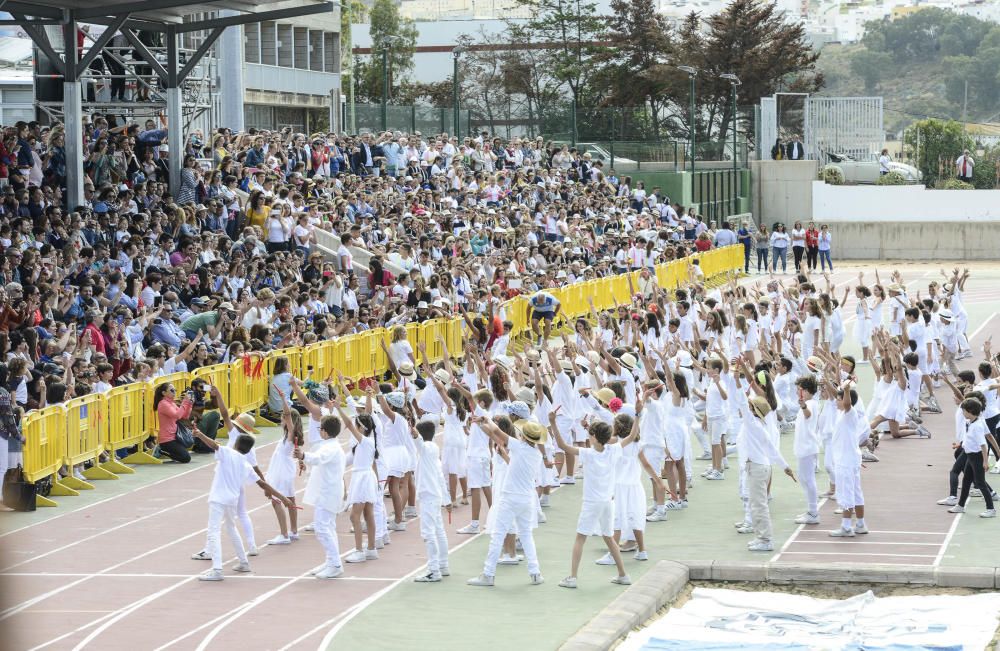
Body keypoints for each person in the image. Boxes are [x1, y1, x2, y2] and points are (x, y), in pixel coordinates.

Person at [192, 426, 291, 582]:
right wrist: (283, 498)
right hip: (232, 500)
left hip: (218, 499)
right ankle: (243, 562)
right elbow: (263, 484)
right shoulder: (246, 465)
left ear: (236, 443)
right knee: (231, 528)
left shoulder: (228, 453)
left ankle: (217, 569)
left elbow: (214, 445)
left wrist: (199, 434)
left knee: (213, 531)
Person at [551, 415, 635, 588]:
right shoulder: (612, 450)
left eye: (590, 434)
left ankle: (572, 578)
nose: (588, 436)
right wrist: (639, 415)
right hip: (607, 502)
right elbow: (632, 436)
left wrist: (552, 423)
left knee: (580, 538)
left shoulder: (587, 453)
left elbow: (562, 446)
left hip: (591, 503)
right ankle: (623, 574)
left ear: (595, 437)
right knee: (609, 538)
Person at [467, 411, 546, 588]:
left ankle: (488, 574)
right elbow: (513, 461)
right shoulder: (536, 454)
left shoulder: (518, 446)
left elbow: (496, 431)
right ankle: (535, 573)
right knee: (527, 536)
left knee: (497, 536)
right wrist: (484, 424)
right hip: (526, 499)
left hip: (510, 497)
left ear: (524, 437)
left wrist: (485, 419)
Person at [293, 414, 347, 579]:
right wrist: (305, 460)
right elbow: (319, 461)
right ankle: (331, 561)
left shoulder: (330, 448)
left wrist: (303, 456)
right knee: (328, 528)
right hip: (327, 492)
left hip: (328, 493)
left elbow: (319, 458)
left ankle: (336, 564)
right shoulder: (329, 446)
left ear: (324, 431)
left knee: (322, 528)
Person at [740, 396, 796, 552]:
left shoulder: (752, 424)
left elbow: (740, 401)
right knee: (756, 504)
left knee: (759, 506)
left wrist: (737, 381)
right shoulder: (759, 426)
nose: (748, 408)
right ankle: (760, 537)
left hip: (757, 468)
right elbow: (773, 451)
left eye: (751, 406)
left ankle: (766, 540)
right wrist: (786, 468)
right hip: (760, 467)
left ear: (753, 410)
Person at [412, 417, 451, 582]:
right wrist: (447, 499)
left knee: (428, 534)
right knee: (439, 531)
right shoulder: (434, 448)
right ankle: (443, 565)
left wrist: (413, 432)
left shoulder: (426, 448)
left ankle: (434, 571)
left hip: (428, 496)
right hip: (435, 495)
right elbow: (440, 476)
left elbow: (418, 441)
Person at [947, 398, 996, 518]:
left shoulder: (977, 426)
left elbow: (983, 445)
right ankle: (961, 505)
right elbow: (970, 439)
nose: (962, 413)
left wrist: (985, 461)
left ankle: (991, 509)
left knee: (980, 483)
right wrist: (961, 444)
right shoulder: (972, 422)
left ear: (969, 411)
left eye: (963, 411)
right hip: (970, 456)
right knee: (966, 480)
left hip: (977, 457)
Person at [153, 382, 193, 463]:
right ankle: (161, 450)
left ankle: (169, 451)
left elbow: (184, 416)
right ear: (164, 393)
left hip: (175, 436)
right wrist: (185, 401)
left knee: (191, 441)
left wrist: (189, 404)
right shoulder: (163, 404)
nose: (174, 392)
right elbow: (177, 416)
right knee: (186, 458)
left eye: (175, 390)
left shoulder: (171, 403)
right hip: (167, 439)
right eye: (172, 390)